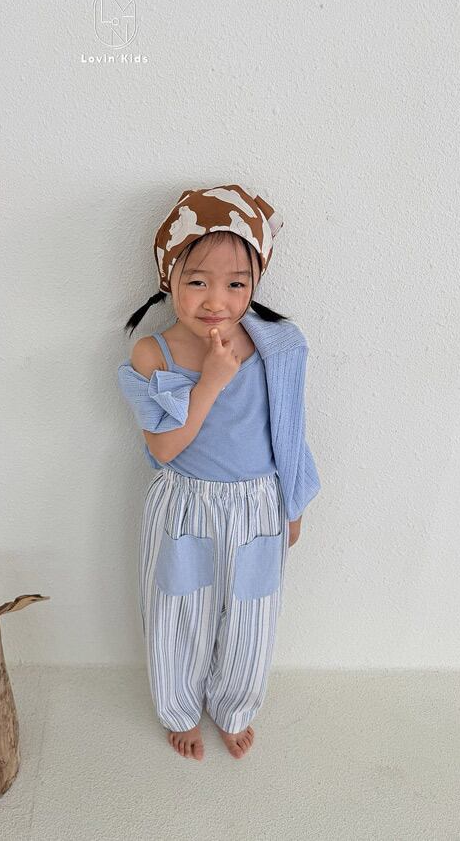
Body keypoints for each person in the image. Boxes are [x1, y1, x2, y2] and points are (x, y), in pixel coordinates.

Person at [116, 184, 321, 762]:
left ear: (255, 283)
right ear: (169, 276)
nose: (216, 300)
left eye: (236, 283)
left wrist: (293, 505)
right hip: (185, 506)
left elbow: (290, 431)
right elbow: (163, 448)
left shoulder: (277, 346)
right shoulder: (153, 354)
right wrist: (210, 380)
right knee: (177, 611)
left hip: (258, 506)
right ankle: (179, 708)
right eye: (198, 281)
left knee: (252, 615)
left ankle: (235, 706)